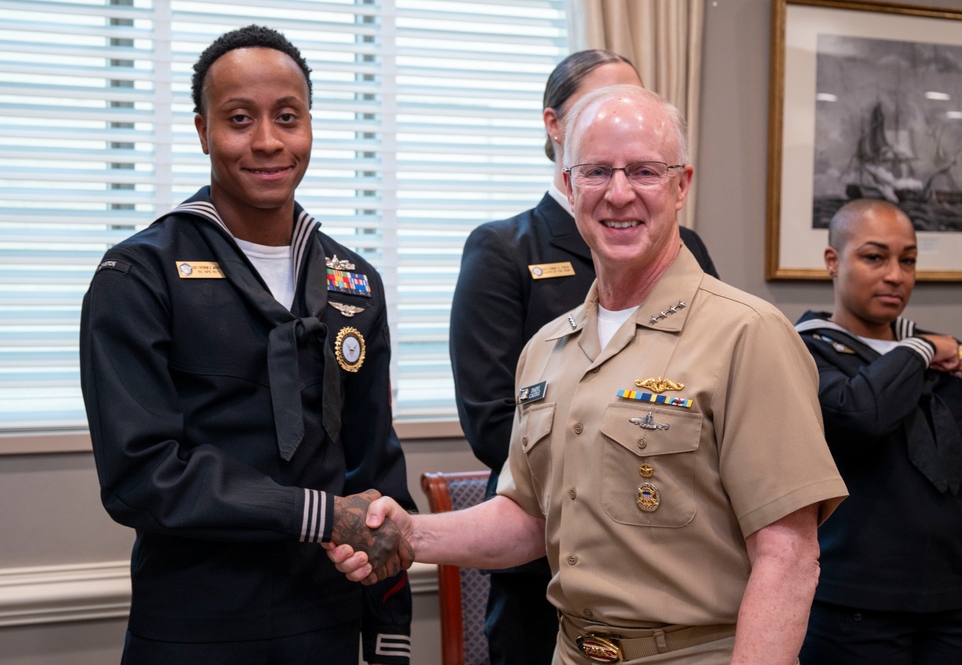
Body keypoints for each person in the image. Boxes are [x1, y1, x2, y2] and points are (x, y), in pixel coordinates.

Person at [330, 84, 848, 664]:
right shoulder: (546, 350)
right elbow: (528, 516)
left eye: (645, 172)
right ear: (570, 187)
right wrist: (412, 534)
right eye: (597, 172)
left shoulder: (747, 334)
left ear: (682, 186)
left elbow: (789, 555)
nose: (619, 194)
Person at [80, 25, 415, 665]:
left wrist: (389, 629)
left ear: (310, 125)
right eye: (239, 119)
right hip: (193, 627)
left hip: (327, 621)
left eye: (286, 117)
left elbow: (376, 477)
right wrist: (317, 514)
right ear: (204, 131)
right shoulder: (138, 275)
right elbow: (141, 475)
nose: (266, 141)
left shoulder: (355, 282)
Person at [449, 50, 718, 665]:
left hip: (671, 558)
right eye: (602, 107)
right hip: (542, 556)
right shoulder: (503, 249)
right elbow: (492, 421)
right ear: (555, 128)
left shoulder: (686, 244)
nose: (624, 119)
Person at [794, 199, 962, 665]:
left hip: (948, 602)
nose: (895, 275)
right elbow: (860, 416)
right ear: (833, 261)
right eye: (874, 257)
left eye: (907, 260)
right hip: (855, 606)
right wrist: (922, 347)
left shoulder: (943, 358)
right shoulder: (805, 350)